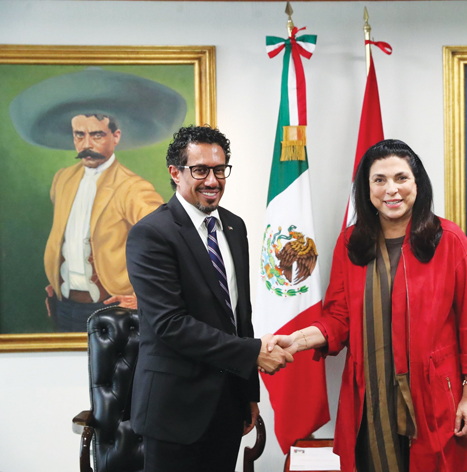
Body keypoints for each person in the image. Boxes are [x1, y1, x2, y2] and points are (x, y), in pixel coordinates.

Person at [268, 139, 467, 472]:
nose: (391, 190)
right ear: (366, 188)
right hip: (369, 398)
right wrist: (297, 341)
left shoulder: (450, 240)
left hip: (432, 397)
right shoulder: (351, 242)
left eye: (401, 178)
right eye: (379, 180)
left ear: (417, 183)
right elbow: (339, 317)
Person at [126, 125, 293, 472]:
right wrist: (254, 353)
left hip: (227, 406)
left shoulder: (235, 226)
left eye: (220, 170)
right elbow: (171, 325)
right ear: (176, 173)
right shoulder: (151, 234)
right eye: (200, 170)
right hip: (174, 411)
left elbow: (239, 317)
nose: (213, 181)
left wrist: (248, 393)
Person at [44, 113, 164, 332]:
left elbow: (167, 242)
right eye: (79, 135)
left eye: (97, 135)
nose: (86, 144)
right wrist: (56, 278)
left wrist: (144, 298)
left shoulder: (133, 187)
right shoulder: (62, 179)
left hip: (112, 309)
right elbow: (65, 237)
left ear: (115, 137)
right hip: (63, 305)